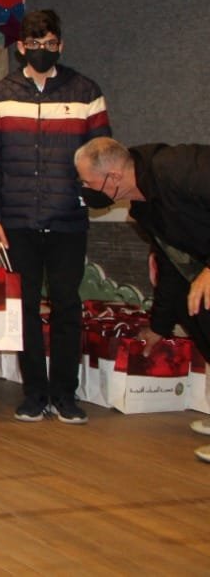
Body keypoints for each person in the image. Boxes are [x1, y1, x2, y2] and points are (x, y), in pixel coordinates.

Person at [0, 9, 110, 424]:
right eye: (35, 44)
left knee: (68, 305)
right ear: (21, 47)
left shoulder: (86, 91)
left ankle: (66, 394)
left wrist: (88, 198)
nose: (42, 50)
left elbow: (103, 156)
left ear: (61, 45)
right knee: (26, 309)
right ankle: (35, 393)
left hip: (68, 220)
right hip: (16, 221)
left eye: (50, 44)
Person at [75, 137, 210, 462]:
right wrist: (159, 326)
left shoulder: (175, 167)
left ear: (113, 177)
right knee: (194, 310)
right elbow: (172, 265)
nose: (84, 189)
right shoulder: (146, 208)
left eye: (88, 182)